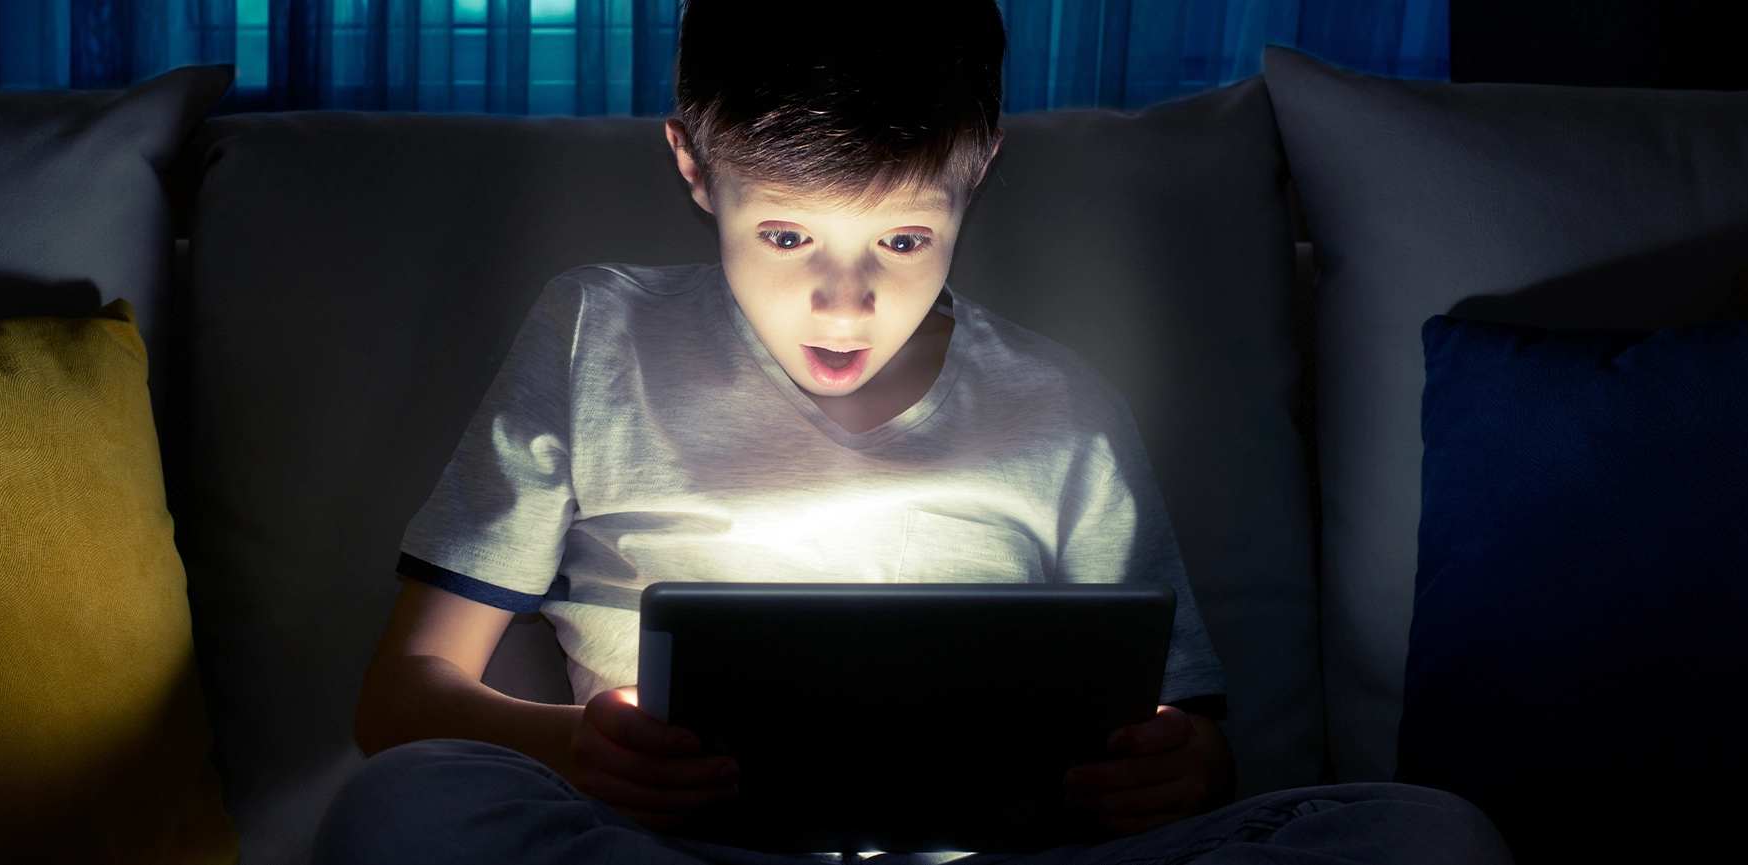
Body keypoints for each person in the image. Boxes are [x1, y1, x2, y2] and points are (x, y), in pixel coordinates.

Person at [315, 2, 1512, 863]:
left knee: (1426, 832)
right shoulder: (598, 336)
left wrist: (1175, 766)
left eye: (900, 241)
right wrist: (577, 745)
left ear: (976, 171)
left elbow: (1196, 745)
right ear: (693, 166)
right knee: (404, 811)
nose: (846, 305)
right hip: (685, 855)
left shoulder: (1063, 408)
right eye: (788, 239)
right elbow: (400, 699)